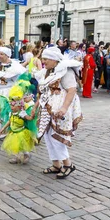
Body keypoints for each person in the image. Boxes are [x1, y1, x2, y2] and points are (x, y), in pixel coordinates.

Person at [35, 47, 82, 179]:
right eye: (43, 58)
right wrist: (36, 106)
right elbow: (44, 93)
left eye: (46, 59)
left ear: (54, 59)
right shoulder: (49, 72)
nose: (43, 61)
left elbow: (72, 90)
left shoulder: (65, 71)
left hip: (60, 108)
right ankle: (56, 164)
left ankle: (68, 164)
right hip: (48, 107)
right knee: (48, 136)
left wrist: (64, 108)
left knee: (56, 136)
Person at [0, 46, 26, 140]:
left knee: (6, 112)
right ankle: (2, 131)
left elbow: (19, 77)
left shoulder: (15, 66)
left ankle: (0, 132)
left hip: (8, 92)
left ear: (7, 55)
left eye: (2, 54)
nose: (0, 56)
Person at [0, 81, 37, 164]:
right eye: (11, 105)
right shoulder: (12, 113)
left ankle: (27, 155)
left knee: (23, 146)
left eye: (13, 106)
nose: (11, 107)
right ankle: (17, 158)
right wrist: (3, 128)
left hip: (21, 132)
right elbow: (10, 121)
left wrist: (32, 116)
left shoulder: (21, 113)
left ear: (19, 105)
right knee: (15, 147)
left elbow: (28, 118)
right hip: (14, 132)